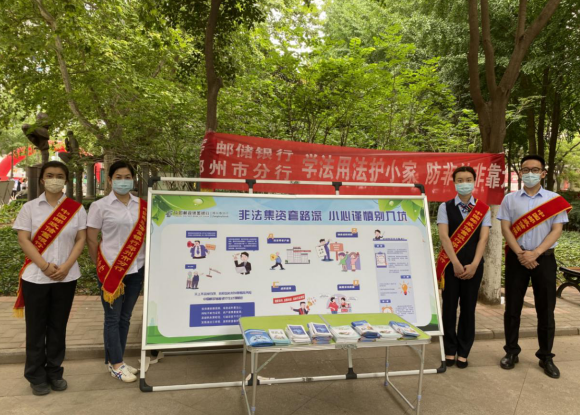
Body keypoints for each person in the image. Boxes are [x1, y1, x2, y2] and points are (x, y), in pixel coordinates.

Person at [12, 161, 87, 396]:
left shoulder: (76, 209)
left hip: (66, 277)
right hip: (36, 277)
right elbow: (23, 239)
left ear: (66, 180)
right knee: (36, 328)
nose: (55, 179)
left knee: (58, 327)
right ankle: (36, 375)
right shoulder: (30, 208)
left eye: (59, 175)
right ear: (42, 179)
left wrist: (66, 266)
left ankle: (55, 372)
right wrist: (44, 266)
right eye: (50, 175)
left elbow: (81, 239)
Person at [498, 155, 571, 379]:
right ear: (520, 173)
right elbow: (506, 228)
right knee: (512, 308)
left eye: (535, 169)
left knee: (546, 310)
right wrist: (521, 254)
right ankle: (511, 352)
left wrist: (536, 253)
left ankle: (546, 356)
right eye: (525, 169)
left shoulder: (554, 200)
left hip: (544, 259)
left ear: (543, 173)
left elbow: (556, 230)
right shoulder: (509, 199)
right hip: (517, 259)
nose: (530, 173)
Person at [87, 161, 147, 383]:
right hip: (111, 270)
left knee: (125, 317)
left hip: (136, 268)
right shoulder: (100, 206)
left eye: (127, 177)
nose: (123, 181)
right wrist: (100, 266)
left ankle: (117, 358)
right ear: (110, 180)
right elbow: (91, 239)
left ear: (133, 179)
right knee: (112, 318)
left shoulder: (142, 205)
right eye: (118, 177)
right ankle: (116, 365)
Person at [436, 165, 491, 369]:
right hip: (451, 265)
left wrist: (475, 264)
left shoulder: (483, 209)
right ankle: (449, 349)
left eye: (468, 179)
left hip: (474, 266)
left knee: (468, 309)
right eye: (460, 180)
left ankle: (464, 350)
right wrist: (456, 263)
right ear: (454, 183)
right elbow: (444, 236)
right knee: (449, 308)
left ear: (474, 182)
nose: (464, 183)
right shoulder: (445, 207)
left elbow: (483, 239)